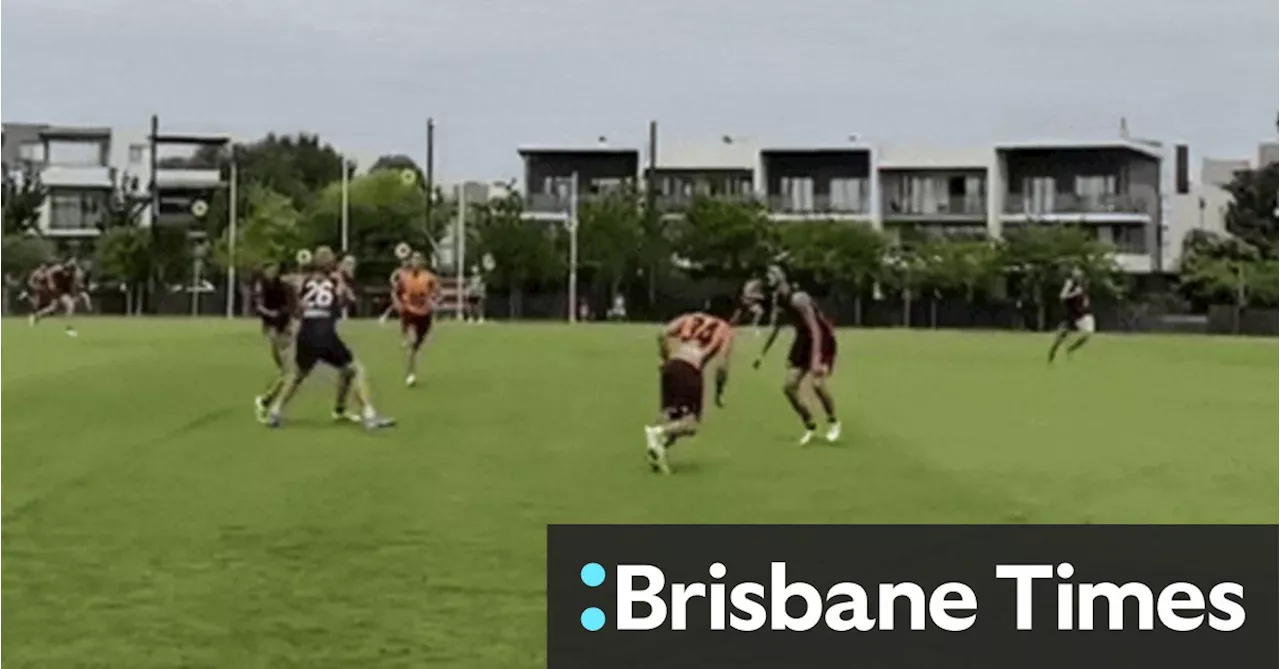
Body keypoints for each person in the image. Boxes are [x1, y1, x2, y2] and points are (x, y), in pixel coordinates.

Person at [263, 246, 395, 430]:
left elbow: (299, 308)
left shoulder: (304, 281)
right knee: (356, 368)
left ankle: (274, 412)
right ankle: (369, 414)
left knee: (298, 375)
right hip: (325, 332)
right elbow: (345, 300)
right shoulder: (335, 280)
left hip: (306, 332)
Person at [753, 266, 840, 445]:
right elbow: (776, 328)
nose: (768, 279)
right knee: (789, 387)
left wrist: (816, 358)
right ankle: (810, 425)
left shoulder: (799, 298)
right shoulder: (779, 300)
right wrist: (762, 354)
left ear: (781, 277)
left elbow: (815, 328)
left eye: (772, 275)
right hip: (802, 339)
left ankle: (833, 421)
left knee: (817, 384)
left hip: (821, 339)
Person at [645, 309, 735, 475]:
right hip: (691, 369)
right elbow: (722, 367)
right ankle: (656, 434)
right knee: (691, 423)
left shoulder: (691, 317)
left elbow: (662, 334)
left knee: (670, 414)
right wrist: (719, 391)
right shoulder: (725, 329)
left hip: (672, 365)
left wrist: (665, 358)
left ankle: (658, 449)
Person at [252, 261, 295, 420]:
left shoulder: (282, 285)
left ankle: (266, 401)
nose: (273, 271)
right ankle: (266, 402)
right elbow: (259, 306)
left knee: (287, 372)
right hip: (274, 329)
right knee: (289, 372)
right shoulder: (261, 286)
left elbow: (290, 305)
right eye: (270, 269)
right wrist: (274, 315)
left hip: (284, 328)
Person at [394, 250, 439, 387]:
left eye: (419, 260)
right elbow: (396, 292)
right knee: (412, 342)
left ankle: (410, 350)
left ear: (424, 263)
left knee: (416, 346)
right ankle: (410, 374)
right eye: (414, 260)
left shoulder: (429, 278)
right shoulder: (404, 277)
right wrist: (398, 303)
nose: (416, 262)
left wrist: (434, 301)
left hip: (424, 314)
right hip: (409, 312)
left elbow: (438, 293)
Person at [1048, 268, 1094, 363]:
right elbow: (1062, 297)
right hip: (1071, 314)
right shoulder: (1069, 283)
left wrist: (1085, 300)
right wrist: (1074, 293)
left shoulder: (1083, 284)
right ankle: (1051, 356)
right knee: (1060, 337)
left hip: (1082, 313)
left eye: (1080, 272)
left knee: (1088, 333)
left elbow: (1084, 296)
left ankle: (1071, 349)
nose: (1078, 274)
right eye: (1076, 272)